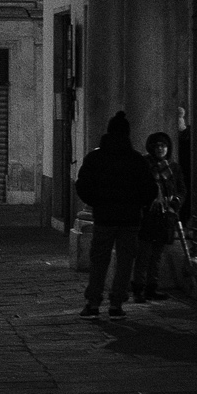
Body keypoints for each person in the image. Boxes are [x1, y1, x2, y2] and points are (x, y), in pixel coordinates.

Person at [73, 111, 159, 319]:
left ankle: (93, 303)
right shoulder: (136, 159)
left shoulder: (96, 157)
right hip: (130, 219)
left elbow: (82, 185)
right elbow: (150, 189)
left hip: (104, 218)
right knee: (125, 261)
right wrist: (138, 204)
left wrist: (97, 202)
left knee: (99, 260)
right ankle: (116, 305)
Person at [135, 131, 185, 302]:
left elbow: (181, 190)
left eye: (163, 146)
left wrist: (174, 204)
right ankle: (138, 289)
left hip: (166, 216)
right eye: (157, 146)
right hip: (148, 215)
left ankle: (151, 288)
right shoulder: (144, 165)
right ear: (151, 147)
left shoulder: (173, 167)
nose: (160, 149)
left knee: (157, 255)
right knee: (144, 254)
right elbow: (139, 188)